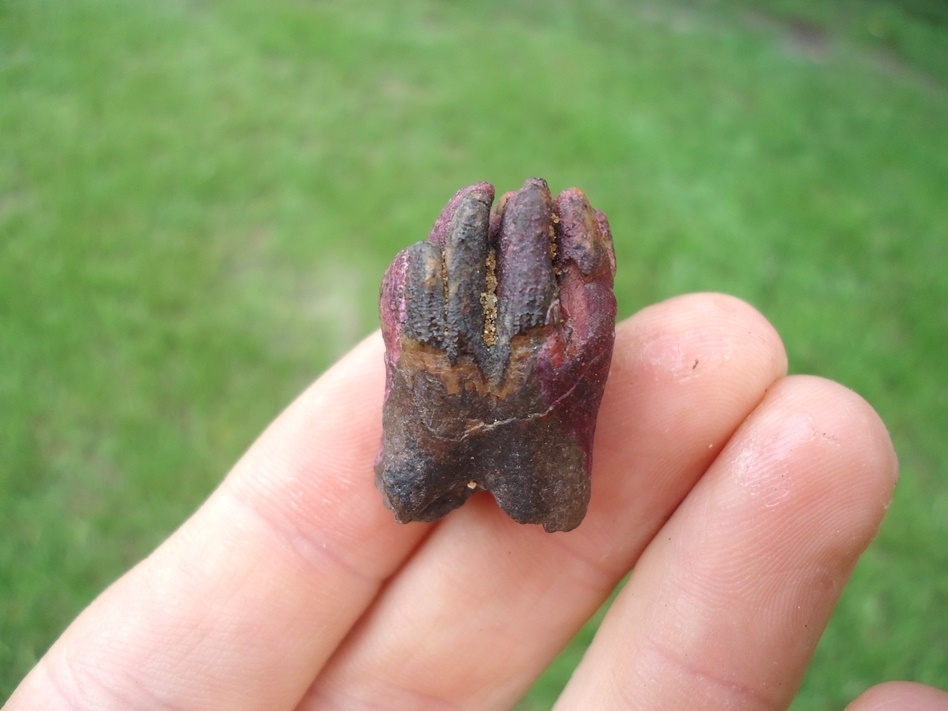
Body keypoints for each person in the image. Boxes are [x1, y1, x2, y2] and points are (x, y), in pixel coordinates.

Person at [4, 294, 946, 710]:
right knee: (425, 478)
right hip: (452, 450)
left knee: (525, 485)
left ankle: (492, 446)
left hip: (529, 460)